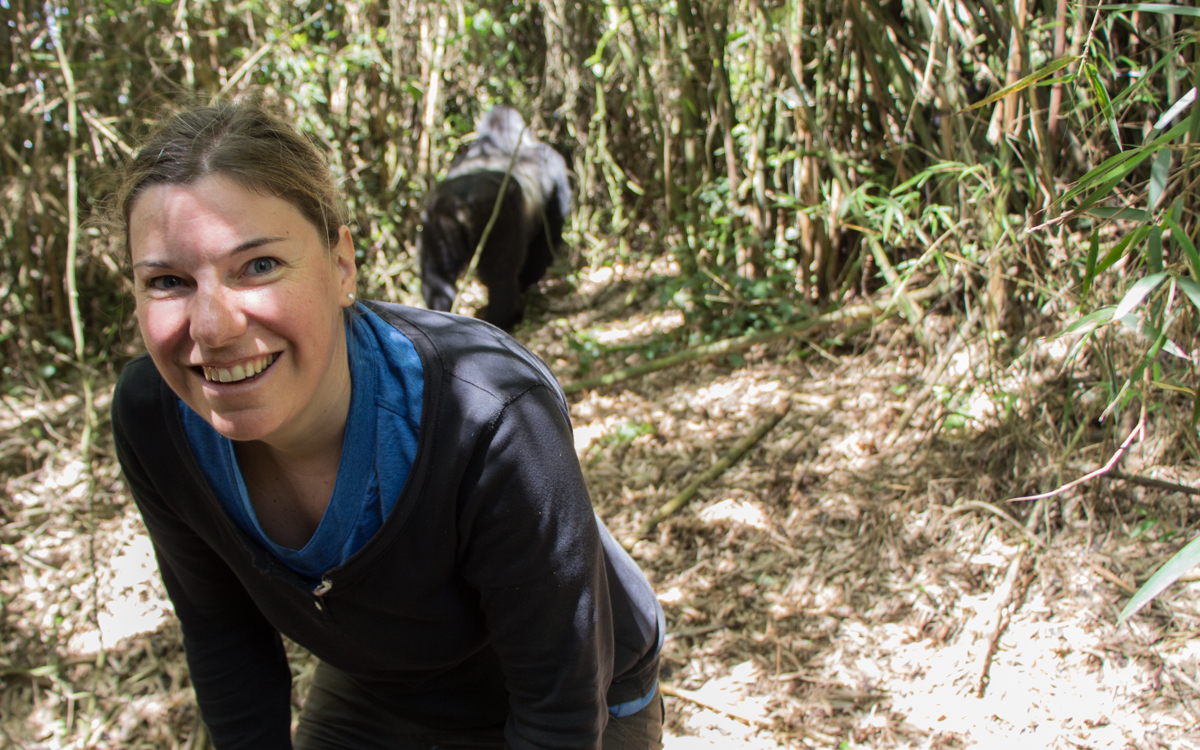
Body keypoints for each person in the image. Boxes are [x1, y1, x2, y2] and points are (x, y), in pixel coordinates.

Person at [109, 96, 664, 750]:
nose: (212, 327)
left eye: (258, 266)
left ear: (341, 266)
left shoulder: (490, 415)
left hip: (581, 688)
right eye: (169, 281)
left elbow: (559, 713)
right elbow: (222, 634)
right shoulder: (155, 421)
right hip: (384, 680)